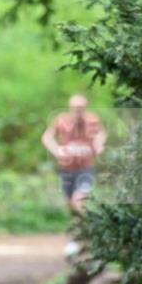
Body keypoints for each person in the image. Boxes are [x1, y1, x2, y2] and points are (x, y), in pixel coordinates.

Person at [41, 93, 106, 262]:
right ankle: (79, 236)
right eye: (75, 108)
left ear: (85, 108)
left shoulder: (92, 120)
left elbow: (101, 134)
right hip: (67, 169)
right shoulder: (61, 119)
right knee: (72, 205)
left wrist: (99, 145)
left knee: (80, 201)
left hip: (86, 168)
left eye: (81, 108)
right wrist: (57, 151)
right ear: (70, 108)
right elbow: (47, 137)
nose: (78, 111)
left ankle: (87, 235)